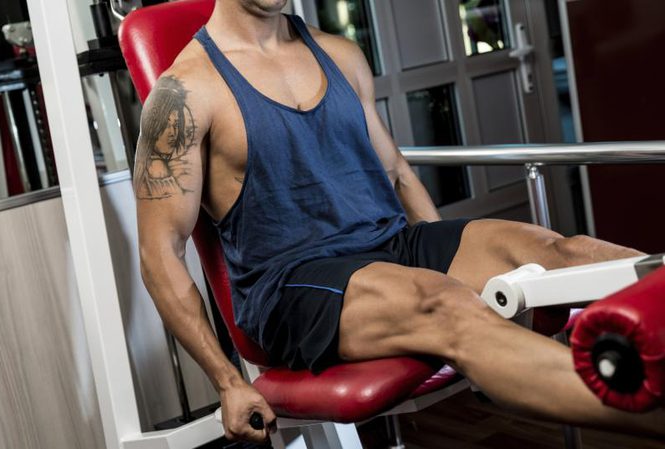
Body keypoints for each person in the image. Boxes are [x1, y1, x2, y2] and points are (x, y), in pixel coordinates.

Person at [133, 0, 665, 444]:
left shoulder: (339, 54)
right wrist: (228, 381)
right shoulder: (184, 93)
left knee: (564, 253)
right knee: (446, 304)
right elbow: (160, 255)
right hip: (295, 285)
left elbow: (398, 174)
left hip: (393, 244)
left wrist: (443, 267)